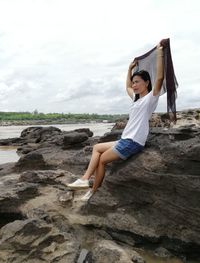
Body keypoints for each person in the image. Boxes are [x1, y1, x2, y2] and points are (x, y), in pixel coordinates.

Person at [67, 41, 165, 201]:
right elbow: (126, 85)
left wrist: (160, 52)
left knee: (101, 161)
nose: (134, 85)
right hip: (125, 139)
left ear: (147, 83)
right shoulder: (136, 99)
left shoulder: (150, 99)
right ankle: (85, 181)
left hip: (133, 142)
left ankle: (90, 188)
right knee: (97, 147)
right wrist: (130, 69)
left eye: (137, 82)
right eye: (133, 83)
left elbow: (160, 77)